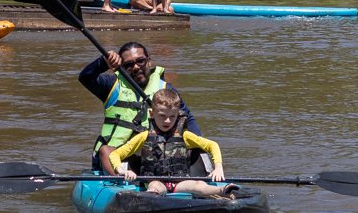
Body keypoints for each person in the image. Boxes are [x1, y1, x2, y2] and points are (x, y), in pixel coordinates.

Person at [78, 41, 200, 175]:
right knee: (105, 150)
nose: (136, 67)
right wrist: (103, 62)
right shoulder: (110, 85)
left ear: (149, 62)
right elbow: (85, 77)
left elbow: (187, 118)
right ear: (121, 67)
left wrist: (197, 144)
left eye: (140, 61)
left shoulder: (166, 90)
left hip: (152, 155)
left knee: (193, 147)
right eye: (128, 65)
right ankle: (121, 180)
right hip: (118, 157)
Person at [108, 88, 238, 198]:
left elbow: (212, 145)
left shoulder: (185, 136)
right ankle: (151, 200)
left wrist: (218, 167)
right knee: (155, 186)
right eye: (162, 116)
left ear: (178, 114)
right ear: (152, 114)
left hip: (180, 182)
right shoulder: (144, 137)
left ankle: (223, 190)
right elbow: (115, 154)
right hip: (156, 182)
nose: (167, 121)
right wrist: (122, 171)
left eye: (172, 116)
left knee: (198, 185)